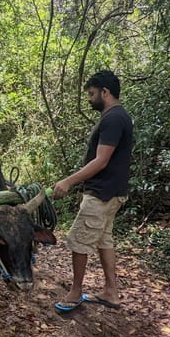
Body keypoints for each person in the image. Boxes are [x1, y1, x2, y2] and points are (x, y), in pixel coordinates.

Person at [51, 70, 133, 312]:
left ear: (105, 92)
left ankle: (75, 293)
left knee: (78, 241)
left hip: (102, 193)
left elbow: (101, 160)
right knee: (104, 240)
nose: (89, 99)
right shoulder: (120, 117)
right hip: (113, 192)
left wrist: (68, 181)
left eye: (91, 93)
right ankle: (111, 292)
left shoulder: (113, 119)